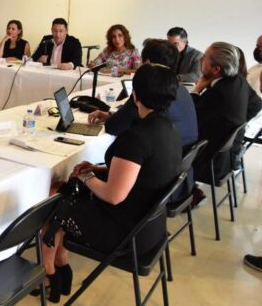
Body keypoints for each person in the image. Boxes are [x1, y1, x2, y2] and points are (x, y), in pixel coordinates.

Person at [40, 64, 181, 302]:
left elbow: (114, 195)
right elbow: (143, 172)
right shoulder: (169, 128)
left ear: (135, 96)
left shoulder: (137, 138)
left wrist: (86, 176)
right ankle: (61, 264)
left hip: (125, 235)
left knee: (56, 196)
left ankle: (49, 274)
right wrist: (96, 170)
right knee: (68, 192)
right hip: (150, 228)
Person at [189, 42, 262, 205]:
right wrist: (238, 127)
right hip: (231, 151)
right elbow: (257, 104)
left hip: (213, 160)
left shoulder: (218, 93)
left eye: (205, 57)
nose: (200, 59)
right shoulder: (238, 80)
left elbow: (191, 117)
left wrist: (196, 89)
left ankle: (185, 193)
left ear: (216, 69)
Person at [89, 39, 198, 145]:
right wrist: (110, 115)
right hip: (185, 151)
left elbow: (113, 127)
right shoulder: (181, 88)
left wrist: (112, 118)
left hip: (163, 153)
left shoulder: (149, 88)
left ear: (147, 62)